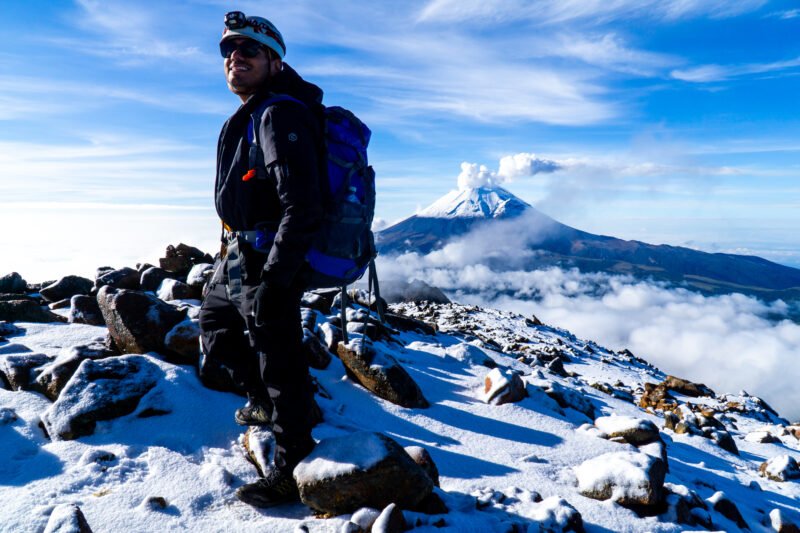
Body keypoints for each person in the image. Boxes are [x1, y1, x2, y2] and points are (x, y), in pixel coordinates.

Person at [198, 11, 322, 508]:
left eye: (248, 49)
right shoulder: (258, 111)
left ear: (274, 60)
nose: (235, 57)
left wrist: (275, 277)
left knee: (279, 355)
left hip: (267, 256)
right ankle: (264, 404)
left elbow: (304, 204)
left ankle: (292, 468)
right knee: (215, 325)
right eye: (229, 51)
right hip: (238, 251)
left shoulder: (279, 114)